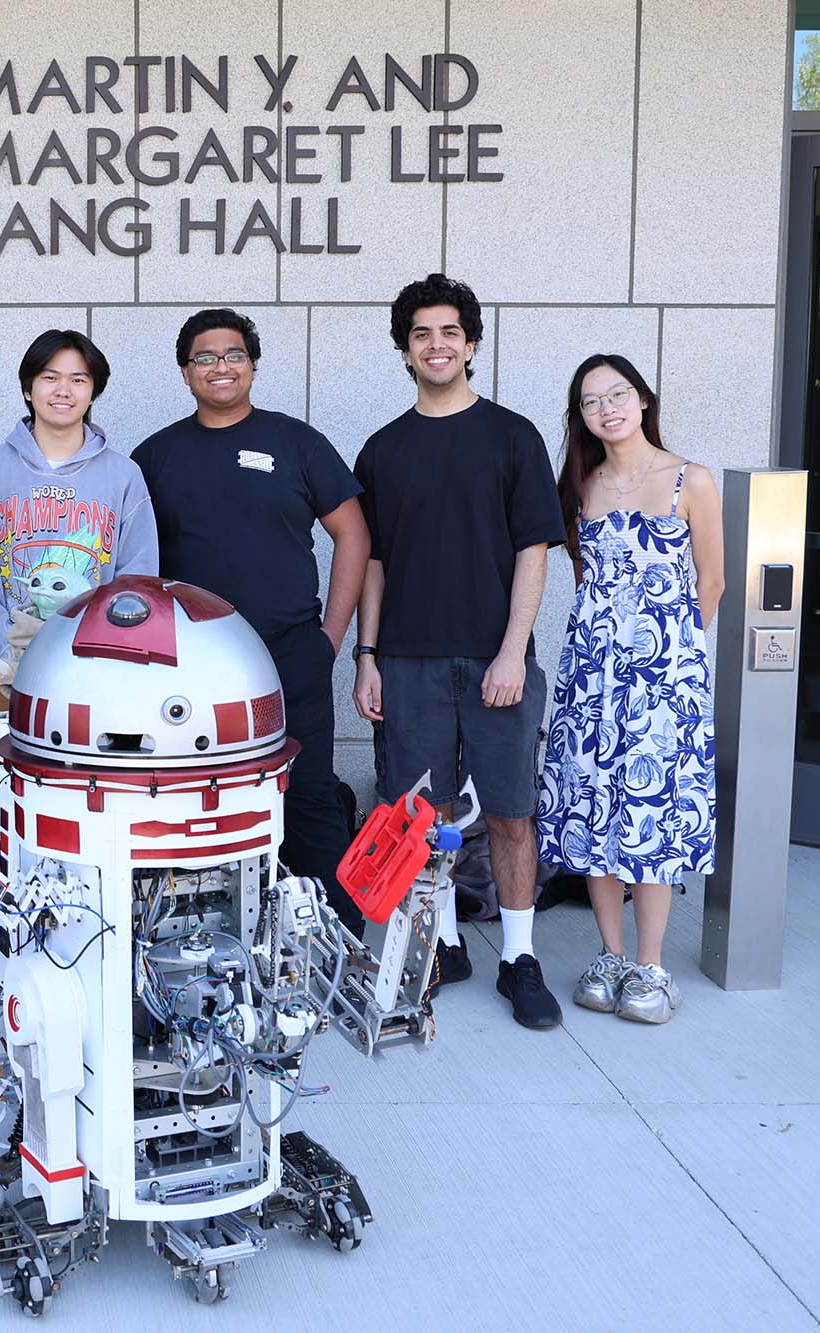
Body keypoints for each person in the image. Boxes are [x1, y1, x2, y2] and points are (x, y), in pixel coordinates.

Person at [351, 273, 568, 1029]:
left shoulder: (512, 436)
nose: (436, 344)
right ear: (405, 350)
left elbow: (535, 550)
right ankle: (444, 945)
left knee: (510, 813)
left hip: (492, 658)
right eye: (421, 334)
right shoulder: (383, 449)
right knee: (425, 816)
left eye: (449, 331)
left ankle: (518, 956)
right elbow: (374, 561)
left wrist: (512, 654)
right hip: (407, 660)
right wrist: (367, 654)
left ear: (471, 344)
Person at [132, 308, 369, 934]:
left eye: (233, 354)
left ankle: (332, 934)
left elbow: (353, 535)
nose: (220, 367)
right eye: (204, 357)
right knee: (195, 795)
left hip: (292, 651)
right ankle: (208, 927)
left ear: (253, 365)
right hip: (192, 666)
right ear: (185, 373)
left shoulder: (297, 443)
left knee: (309, 789)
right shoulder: (154, 457)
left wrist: (331, 640)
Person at [0, 328, 159, 1002]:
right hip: (6, 666)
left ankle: (80, 938)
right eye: (50, 376)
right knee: (4, 806)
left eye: (77, 378)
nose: (63, 389)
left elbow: (137, 578)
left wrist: (110, 659)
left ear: (93, 390)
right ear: (28, 387)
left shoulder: (123, 477)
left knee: (91, 806)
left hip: (91, 665)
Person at [536, 354, 722, 1024]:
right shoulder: (579, 487)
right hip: (592, 677)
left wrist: (670, 662)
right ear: (580, 416)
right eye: (591, 401)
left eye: (618, 394)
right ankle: (609, 955)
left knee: (652, 818)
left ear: (643, 400)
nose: (607, 408)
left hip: (663, 682)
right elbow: (588, 582)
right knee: (593, 810)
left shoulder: (689, 480)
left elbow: (713, 581)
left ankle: (651, 966)